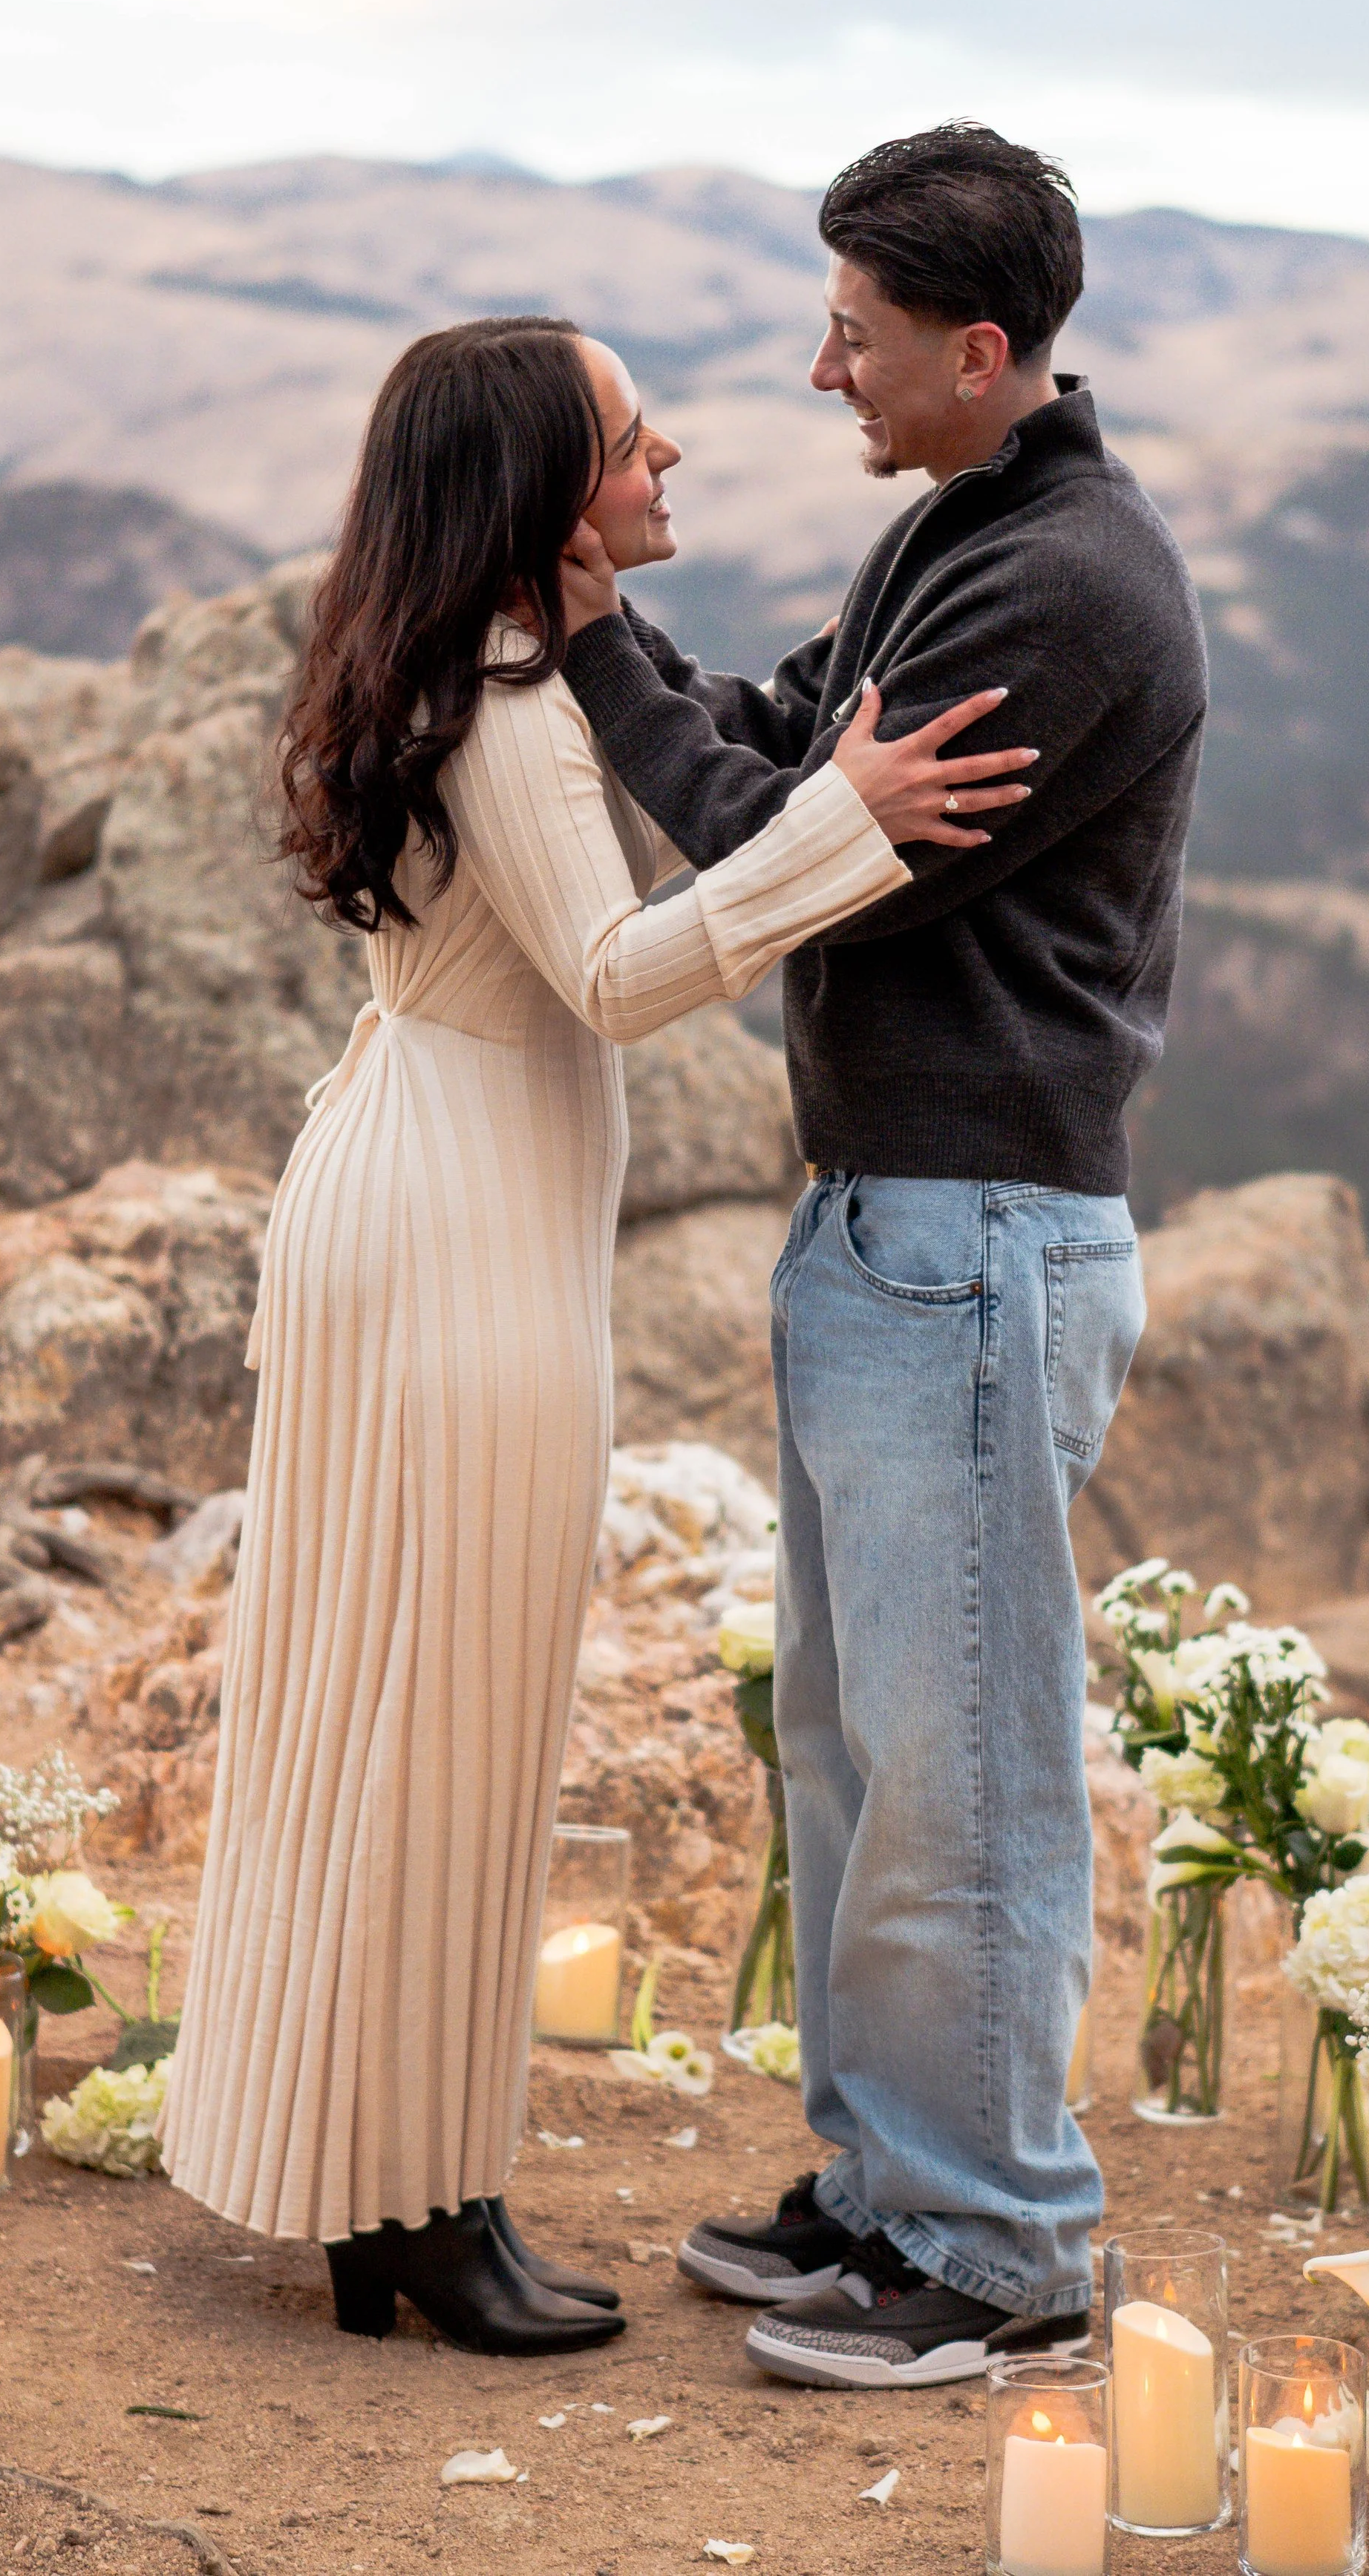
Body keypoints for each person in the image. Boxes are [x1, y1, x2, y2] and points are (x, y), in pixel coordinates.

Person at [158, 312, 1034, 2358]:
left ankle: (390, 2191)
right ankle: (418, 2203)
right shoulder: (504, 695)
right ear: (547, 494)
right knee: (446, 1710)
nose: (676, 463)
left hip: (424, 1192)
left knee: (384, 1703)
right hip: (459, 1236)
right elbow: (623, 972)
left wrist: (806, 771)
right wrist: (855, 820)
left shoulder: (445, 649)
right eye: (636, 443)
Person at [558, 125, 1209, 2390]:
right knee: (854, 1740)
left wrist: (569, 636)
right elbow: (767, 731)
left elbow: (783, 843)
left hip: (973, 1237)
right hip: (901, 1229)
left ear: (978, 347)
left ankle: (1001, 2248)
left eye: (851, 330)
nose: (817, 364)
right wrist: (630, 649)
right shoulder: (964, 522)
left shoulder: (1068, 589)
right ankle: (887, 2179)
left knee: (963, 1759)